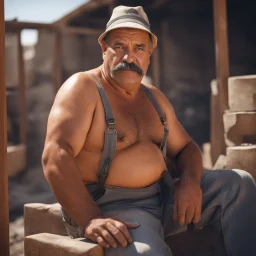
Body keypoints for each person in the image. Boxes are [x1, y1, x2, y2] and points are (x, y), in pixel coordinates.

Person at [42, 5, 256, 256]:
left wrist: (189, 181)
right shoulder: (83, 88)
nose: (129, 57)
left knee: (238, 184)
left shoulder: (155, 98)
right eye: (119, 46)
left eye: (138, 48)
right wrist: (90, 218)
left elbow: (186, 147)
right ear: (104, 48)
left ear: (150, 52)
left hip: (165, 198)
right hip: (115, 210)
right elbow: (55, 155)